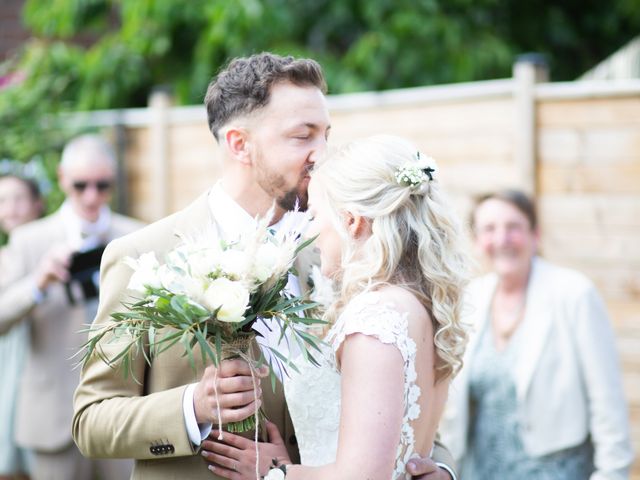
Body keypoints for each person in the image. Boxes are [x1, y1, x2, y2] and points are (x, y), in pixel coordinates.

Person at [72, 53, 459, 480]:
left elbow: (396, 398)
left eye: (326, 135)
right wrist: (192, 407)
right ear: (240, 144)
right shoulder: (145, 256)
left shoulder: (338, 254)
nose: (322, 155)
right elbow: (92, 420)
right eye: (302, 136)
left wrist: (436, 467)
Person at [199, 134, 470, 480]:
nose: (310, 231)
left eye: (314, 215)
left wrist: (274, 474)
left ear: (352, 221)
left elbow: (361, 476)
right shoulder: (420, 304)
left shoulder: (374, 317)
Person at [440, 189, 634, 479]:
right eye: (490, 229)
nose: (502, 239)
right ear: (477, 240)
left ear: (535, 235)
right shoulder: (470, 300)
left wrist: (611, 474)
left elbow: (607, 403)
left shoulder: (574, 295)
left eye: (513, 227)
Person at [1, 135, 144, 480]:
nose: (92, 196)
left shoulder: (136, 237)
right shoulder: (29, 240)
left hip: (122, 413)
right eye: (81, 185)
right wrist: (37, 283)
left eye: (102, 185)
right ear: (63, 178)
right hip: (52, 415)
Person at [0, 174, 44, 480]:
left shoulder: (52, 249)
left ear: (37, 204)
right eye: (2, 201)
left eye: (18, 199)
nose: (10, 208)